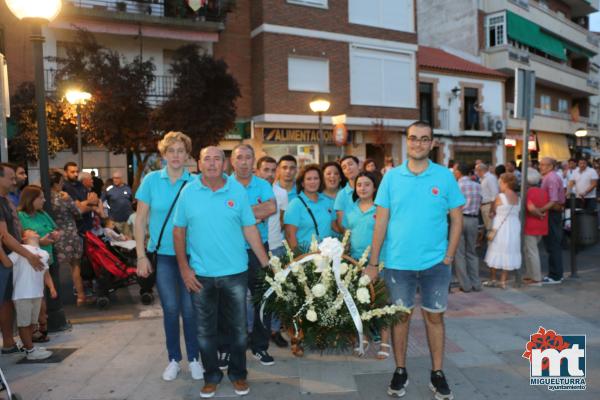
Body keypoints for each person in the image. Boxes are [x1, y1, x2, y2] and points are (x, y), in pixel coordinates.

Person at [365, 121, 464, 400]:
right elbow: (381, 221)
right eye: (413, 138)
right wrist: (373, 262)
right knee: (401, 319)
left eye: (424, 139)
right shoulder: (391, 178)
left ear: (432, 143)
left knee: (435, 317)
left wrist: (450, 255)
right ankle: (400, 370)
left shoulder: (444, 177)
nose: (418, 143)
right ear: (406, 142)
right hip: (398, 264)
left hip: (436, 265)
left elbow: (456, 219)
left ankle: (437, 372)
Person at [173, 146, 270, 398]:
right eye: (208, 159)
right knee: (205, 332)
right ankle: (211, 376)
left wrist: (267, 264)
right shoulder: (188, 192)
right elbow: (179, 231)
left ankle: (238, 375)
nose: (213, 163)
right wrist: (184, 268)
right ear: (198, 163)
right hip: (201, 275)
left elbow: (250, 229)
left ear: (225, 164)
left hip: (235, 273)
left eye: (218, 159)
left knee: (238, 331)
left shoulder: (236, 190)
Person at [135, 131, 202, 382]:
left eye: (181, 151)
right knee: (171, 309)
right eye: (171, 150)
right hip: (162, 256)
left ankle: (194, 358)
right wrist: (141, 256)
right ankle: (174, 359)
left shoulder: (196, 182)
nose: (176, 155)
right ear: (163, 154)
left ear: (187, 155)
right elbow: (140, 220)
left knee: (190, 310)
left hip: (191, 257)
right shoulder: (151, 180)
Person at [229, 144, 277, 366]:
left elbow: (271, 208)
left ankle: (260, 347)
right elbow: (222, 217)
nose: (245, 162)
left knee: (264, 300)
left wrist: (238, 215)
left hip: (259, 251)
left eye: (249, 157)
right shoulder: (225, 184)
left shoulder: (263, 184)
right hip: (231, 251)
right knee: (233, 302)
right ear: (233, 161)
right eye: (240, 157)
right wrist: (253, 215)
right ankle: (233, 347)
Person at [341, 171, 390, 359]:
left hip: (379, 263)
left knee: (382, 303)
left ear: (374, 187)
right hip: (355, 264)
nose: (362, 188)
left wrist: (376, 263)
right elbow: (347, 236)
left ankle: (385, 343)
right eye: (359, 184)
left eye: (367, 184)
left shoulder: (381, 209)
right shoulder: (351, 209)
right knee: (361, 303)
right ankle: (364, 338)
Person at [0, 163, 45, 355]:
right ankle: (10, 342)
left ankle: (10, 342)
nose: (15, 180)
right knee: (6, 301)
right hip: (7, 260)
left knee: (8, 301)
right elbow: (3, 235)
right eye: (10, 177)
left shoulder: (5, 200)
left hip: (11, 258)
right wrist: (27, 256)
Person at [17, 185, 63, 343]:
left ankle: (40, 325)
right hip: (30, 261)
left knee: (41, 294)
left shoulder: (42, 214)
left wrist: (55, 235)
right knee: (34, 296)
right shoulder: (20, 216)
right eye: (41, 198)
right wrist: (40, 240)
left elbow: (56, 229)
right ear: (31, 199)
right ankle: (35, 328)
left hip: (46, 258)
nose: (44, 200)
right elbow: (19, 238)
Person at [255, 156, 288, 348]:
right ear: (258, 170)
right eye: (265, 169)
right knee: (252, 294)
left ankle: (274, 330)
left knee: (276, 292)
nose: (269, 174)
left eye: (272, 170)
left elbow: (281, 220)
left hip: (275, 247)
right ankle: (251, 331)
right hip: (253, 247)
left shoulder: (281, 193)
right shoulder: (251, 189)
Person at [10, 229, 56, 360]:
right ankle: (30, 351)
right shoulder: (19, 249)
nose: (34, 231)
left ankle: (27, 345)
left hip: (37, 293)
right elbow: (7, 263)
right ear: (23, 238)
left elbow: (45, 273)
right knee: (24, 324)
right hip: (22, 293)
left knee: (32, 323)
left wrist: (52, 287)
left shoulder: (44, 253)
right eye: (29, 231)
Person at [49, 170, 86, 305]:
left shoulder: (45, 197)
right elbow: (77, 213)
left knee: (54, 267)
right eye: (61, 182)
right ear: (57, 183)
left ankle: (55, 296)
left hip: (54, 235)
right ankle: (80, 296)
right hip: (70, 234)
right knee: (75, 266)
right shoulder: (64, 196)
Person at [284, 164, 336, 250]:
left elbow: (335, 226)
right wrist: (299, 259)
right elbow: (290, 236)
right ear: (302, 183)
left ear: (320, 181)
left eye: (316, 178)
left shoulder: (327, 201)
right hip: (306, 257)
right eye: (308, 179)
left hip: (327, 255)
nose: (313, 182)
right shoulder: (295, 204)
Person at [483, 173, 521, 289]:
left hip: (500, 227)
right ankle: (503, 281)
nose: (499, 184)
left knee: (495, 249)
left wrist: (492, 212)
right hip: (514, 226)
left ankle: (493, 279)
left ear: (505, 183)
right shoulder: (518, 198)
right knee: (509, 251)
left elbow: (491, 213)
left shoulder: (500, 197)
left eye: (500, 182)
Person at [453, 163, 482, 292]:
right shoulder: (477, 186)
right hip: (474, 219)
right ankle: (476, 283)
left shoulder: (457, 185)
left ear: (459, 172)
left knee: (459, 253)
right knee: (471, 252)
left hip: (460, 219)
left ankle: (465, 285)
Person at [538, 157, 565, 284]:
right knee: (552, 244)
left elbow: (553, 200)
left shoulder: (551, 178)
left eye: (543, 165)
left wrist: (541, 210)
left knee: (553, 244)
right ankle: (556, 274)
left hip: (553, 213)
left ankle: (555, 276)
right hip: (552, 212)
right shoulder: (549, 177)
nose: (540, 167)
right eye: (540, 164)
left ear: (550, 166)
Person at [522, 168, 548, 286]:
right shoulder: (543, 191)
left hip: (530, 225)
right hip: (541, 225)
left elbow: (531, 208)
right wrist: (541, 215)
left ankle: (536, 278)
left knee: (531, 252)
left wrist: (539, 214)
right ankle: (530, 275)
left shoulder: (528, 192)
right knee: (530, 251)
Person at [63, 162, 101, 234]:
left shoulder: (79, 184)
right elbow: (78, 208)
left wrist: (85, 203)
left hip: (87, 225)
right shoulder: (66, 187)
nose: (76, 174)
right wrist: (90, 204)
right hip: (76, 228)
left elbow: (95, 200)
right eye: (72, 172)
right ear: (65, 173)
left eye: (77, 172)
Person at [101, 171, 134, 237]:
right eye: (114, 178)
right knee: (117, 242)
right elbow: (100, 201)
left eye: (117, 178)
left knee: (129, 240)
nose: (115, 180)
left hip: (127, 221)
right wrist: (104, 215)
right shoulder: (109, 189)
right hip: (114, 221)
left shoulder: (128, 188)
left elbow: (132, 201)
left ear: (121, 178)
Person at [334, 155, 360, 229]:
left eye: (350, 164)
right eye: (344, 167)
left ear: (358, 165)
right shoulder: (341, 195)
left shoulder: (372, 188)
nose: (348, 168)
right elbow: (341, 225)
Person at [476, 163, 499, 234]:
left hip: (489, 206)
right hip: (485, 206)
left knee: (490, 229)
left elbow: (495, 194)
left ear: (480, 170)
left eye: (477, 171)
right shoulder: (483, 179)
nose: (476, 173)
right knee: (488, 228)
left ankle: (492, 245)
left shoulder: (490, 178)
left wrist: (492, 209)